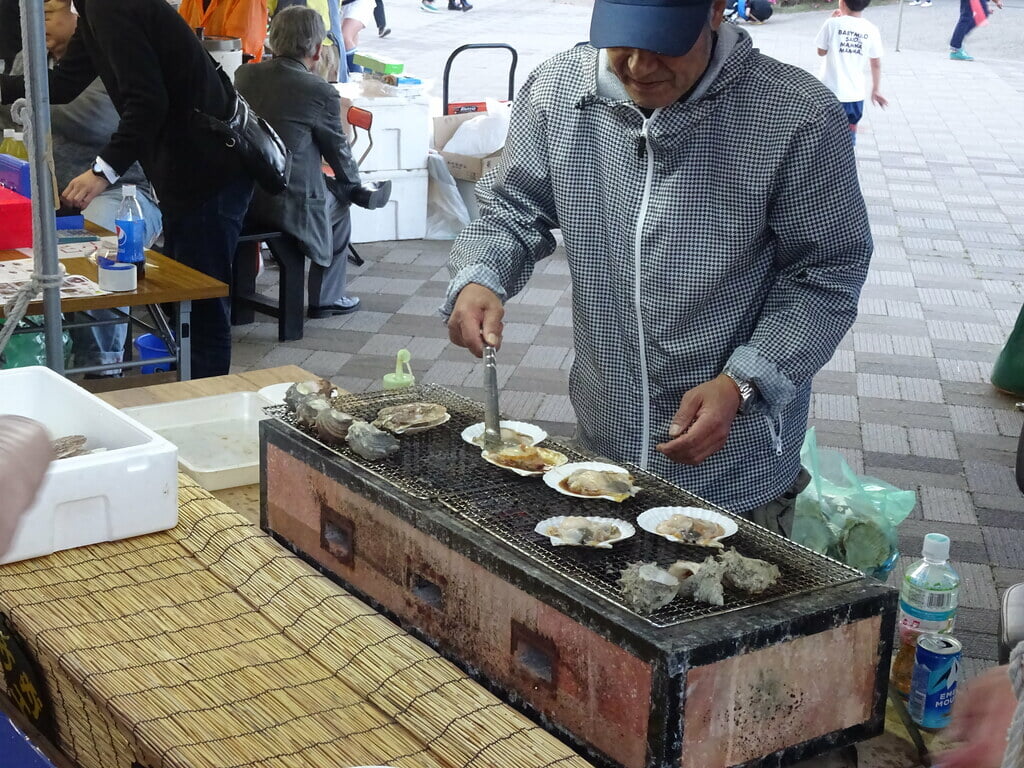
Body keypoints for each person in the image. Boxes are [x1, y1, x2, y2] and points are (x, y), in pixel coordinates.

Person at [444, 0, 873, 529]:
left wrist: (746, 382)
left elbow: (826, 274)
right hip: (606, 439)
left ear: (715, 11)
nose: (639, 68)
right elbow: (511, 208)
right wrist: (482, 274)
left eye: (663, 44)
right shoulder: (556, 92)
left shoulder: (796, 114)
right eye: (622, 42)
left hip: (736, 463)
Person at [0, 0, 254, 379]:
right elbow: (65, 83)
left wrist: (102, 171)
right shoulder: (96, 9)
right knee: (189, 300)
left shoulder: (110, 6)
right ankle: (187, 390)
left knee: (202, 299)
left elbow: (148, 103)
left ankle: (206, 398)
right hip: (184, 167)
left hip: (208, 166)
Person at [10, 0, 163, 374]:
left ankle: (101, 366)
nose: (35, 24)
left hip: (123, 192)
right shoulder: (25, 60)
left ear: (76, 16)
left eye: (46, 15)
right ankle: (31, 359)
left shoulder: (104, 57)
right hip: (45, 194)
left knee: (102, 247)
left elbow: (93, 119)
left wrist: (19, 97)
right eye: (30, 17)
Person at [235, 6, 391, 318]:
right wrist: (353, 187)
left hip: (247, 197)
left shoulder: (245, 75)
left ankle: (242, 303)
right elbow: (338, 152)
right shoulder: (318, 90)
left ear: (272, 41)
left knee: (330, 189)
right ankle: (326, 299)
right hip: (288, 203)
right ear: (318, 50)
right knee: (340, 209)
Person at [815, 0, 887, 146]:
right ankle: (845, 165)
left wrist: (832, 19)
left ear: (842, 3)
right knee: (847, 138)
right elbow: (876, 63)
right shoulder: (871, 29)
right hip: (855, 96)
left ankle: (823, 165)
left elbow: (821, 52)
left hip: (828, 94)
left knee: (824, 139)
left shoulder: (832, 24)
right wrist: (876, 89)